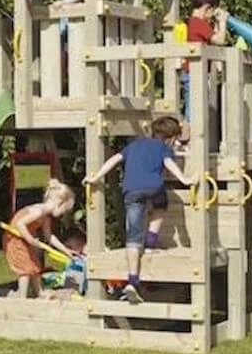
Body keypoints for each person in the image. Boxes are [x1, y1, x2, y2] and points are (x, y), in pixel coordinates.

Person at [82, 117, 196, 304]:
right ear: (170, 138)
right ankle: (151, 241)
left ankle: (132, 281)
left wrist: (96, 177)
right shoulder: (163, 148)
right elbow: (169, 162)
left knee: (133, 236)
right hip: (154, 187)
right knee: (160, 205)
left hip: (131, 190)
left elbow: (114, 159)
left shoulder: (134, 145)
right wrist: (184, 179)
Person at [3, 179, 77, 298]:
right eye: (64, 211)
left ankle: (39, 292)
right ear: (59, 203)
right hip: (15, 239)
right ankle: (22, 297)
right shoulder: (38, 211)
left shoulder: (46, 217)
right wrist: (31, 240)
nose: (62, 215)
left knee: (35, 265)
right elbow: (20, 224)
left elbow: (49, 236)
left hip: (25, 239)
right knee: (25, 267)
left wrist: (66, 250)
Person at [180, 0, 229, 144]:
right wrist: (223, 22)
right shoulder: (199, 23)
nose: (212, 16)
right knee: (193, 110)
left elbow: (212, 39)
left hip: (192, 73)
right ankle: (184, 140)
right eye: (212, 12)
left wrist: (217, 25)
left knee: (193, 107)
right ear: (207, 8)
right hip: (194, 73)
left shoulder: (193, 23)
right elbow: (220, 40)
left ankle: (187, 140)